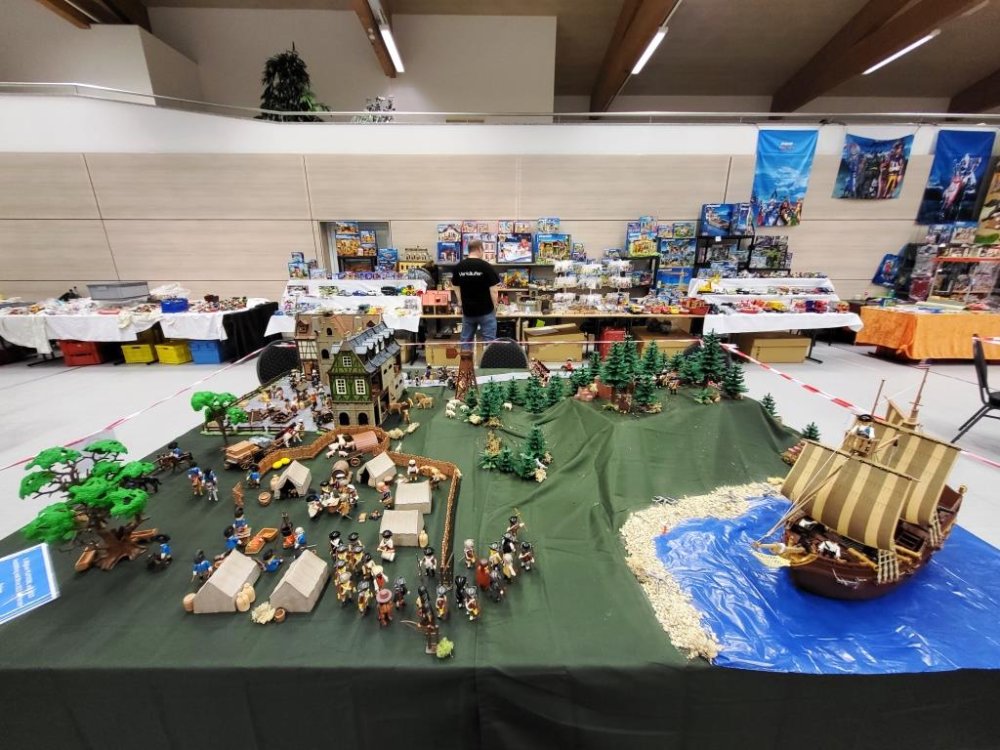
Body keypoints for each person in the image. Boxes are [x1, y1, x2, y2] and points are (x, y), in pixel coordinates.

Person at [450, 239, 501, 352]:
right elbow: (493, 290)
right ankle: (488, 362)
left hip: (468, 311)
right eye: (483, 250)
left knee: (466, 340)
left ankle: (466, 363)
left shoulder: (459, 267)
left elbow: (455, 286)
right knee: (489, 342)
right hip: (486, 311)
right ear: (479, 249)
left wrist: (460, 301)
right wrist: (495, 305)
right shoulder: (486, 266)